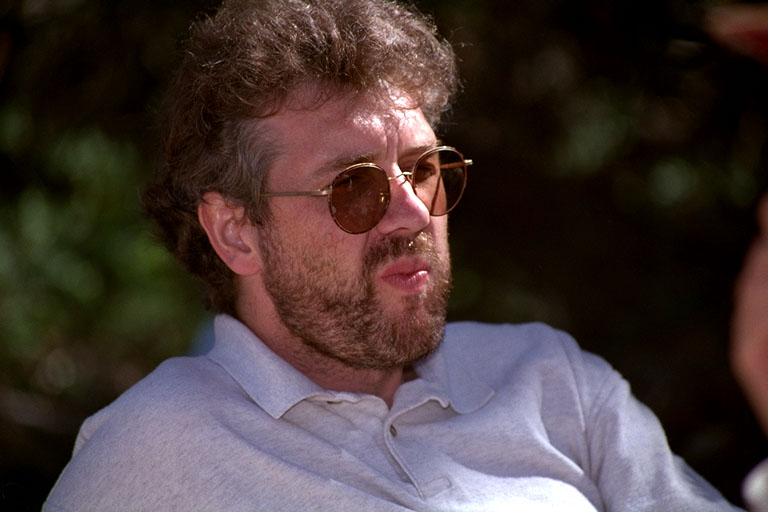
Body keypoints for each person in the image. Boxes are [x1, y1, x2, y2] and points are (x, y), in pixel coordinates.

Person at [43, 0, 740, 510]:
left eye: (425, 169)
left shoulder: (553, 380)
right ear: (236, 232)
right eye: (353, 187)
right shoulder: (153, 450)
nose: (415, 214)